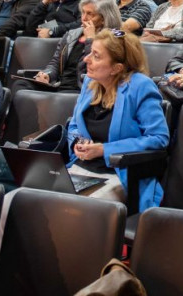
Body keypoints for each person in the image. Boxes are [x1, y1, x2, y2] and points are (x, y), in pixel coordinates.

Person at [65, 30, 169, 208]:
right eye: (90, 52)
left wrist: (104, 150)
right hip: (81, 169)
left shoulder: (140, 86)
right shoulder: (90, 84)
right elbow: (74, 124)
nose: (86, 59)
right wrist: (76, 141)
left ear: (117, 68)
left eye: (96, 56)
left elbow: (158, 139)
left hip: (121, 174)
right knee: (24, 199)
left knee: (75, 210)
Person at [32, 0, 121, 91]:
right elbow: (56, 63)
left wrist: (90, 40)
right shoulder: (72, 34)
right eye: (83, 12)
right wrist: (47, 75)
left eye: (90, 14)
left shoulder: (114, 38)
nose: (84, 18)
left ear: (104, 18)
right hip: (60, 85)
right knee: (22, 84)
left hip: (84, 88)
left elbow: (94, 67)